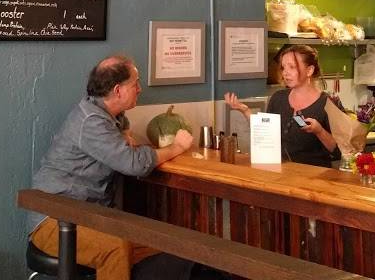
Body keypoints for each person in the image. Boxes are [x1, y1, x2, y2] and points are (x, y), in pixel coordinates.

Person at [27, 54, 194, 280]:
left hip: (89, 216)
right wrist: (177, 147)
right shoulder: (91, 121)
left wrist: (124, 135)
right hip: (55, 220)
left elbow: (124, 142)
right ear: (118, 90)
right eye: (135, 83)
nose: (140, 89)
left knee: (163, 245)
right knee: (115, 249)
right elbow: (133, 163)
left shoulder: (108, 115)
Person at [224, 44, 339, 166]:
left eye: (292, 67)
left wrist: (319, 131)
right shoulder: (278, 98)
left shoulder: (329, 103)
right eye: (283, 68)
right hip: (279, 173)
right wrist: (245, 111)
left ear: (309, 70)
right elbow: (266, 133)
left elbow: (340, 151)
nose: (285, 73)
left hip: (313, 175)